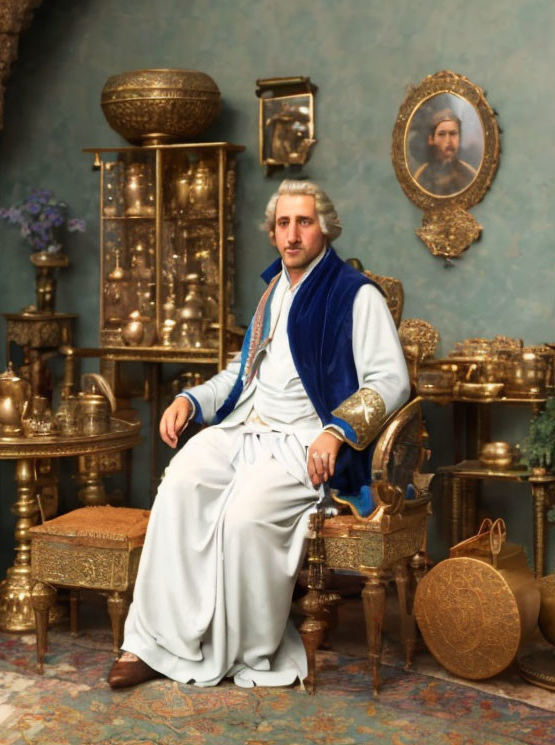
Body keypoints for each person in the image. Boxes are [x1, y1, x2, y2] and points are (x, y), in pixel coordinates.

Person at [108, 179, 410, 690]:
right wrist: (191, 399)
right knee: (180, 484)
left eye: (304, 222)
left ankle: (238, 650)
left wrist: (336, 432)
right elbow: (240, 373)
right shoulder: (273, 291)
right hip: (245, 429)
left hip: (304, 443)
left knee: (243, 516)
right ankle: (154, 643)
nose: (293, 235)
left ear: (326, 228)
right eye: (284, 224)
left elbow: (391, 380)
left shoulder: (355, 295)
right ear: (273, 233)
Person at [414, 108, 477, 197]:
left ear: (460, 138)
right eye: (442, 134)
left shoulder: (470, 174)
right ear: (431, 139)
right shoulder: (420, 177)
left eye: (453, 133)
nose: (448, 141)